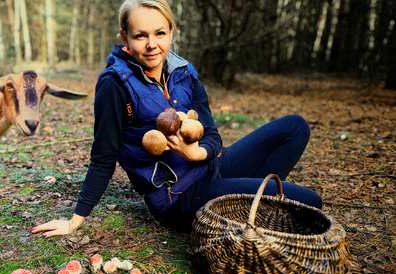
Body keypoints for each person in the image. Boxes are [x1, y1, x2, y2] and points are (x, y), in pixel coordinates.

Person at [32, 0, 322, 235]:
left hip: (210, 168)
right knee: (310, 202)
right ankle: (247, 209)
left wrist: (196, 152)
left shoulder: (184, 72)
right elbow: (103, 157)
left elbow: (212, 135)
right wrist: (76, 218)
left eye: (159, 33)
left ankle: (245, 210)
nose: (152, 44)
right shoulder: (114, 85)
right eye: (140, 35)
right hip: (180, 195)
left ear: (171, 31)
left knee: (294, 127)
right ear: (125, 37)